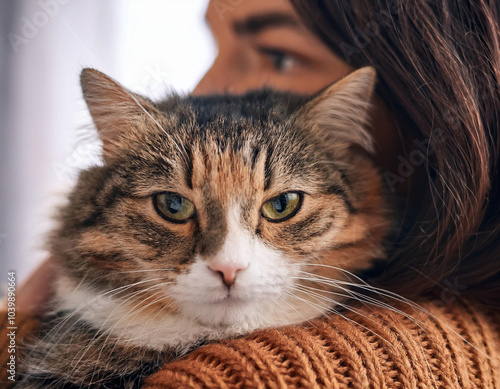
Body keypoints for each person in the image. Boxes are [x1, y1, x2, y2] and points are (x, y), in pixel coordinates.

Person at [4, 0, 500, 385]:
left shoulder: (256, 372)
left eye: (278, 56)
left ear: (438, 88)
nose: (206, 86)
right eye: (174, 205)